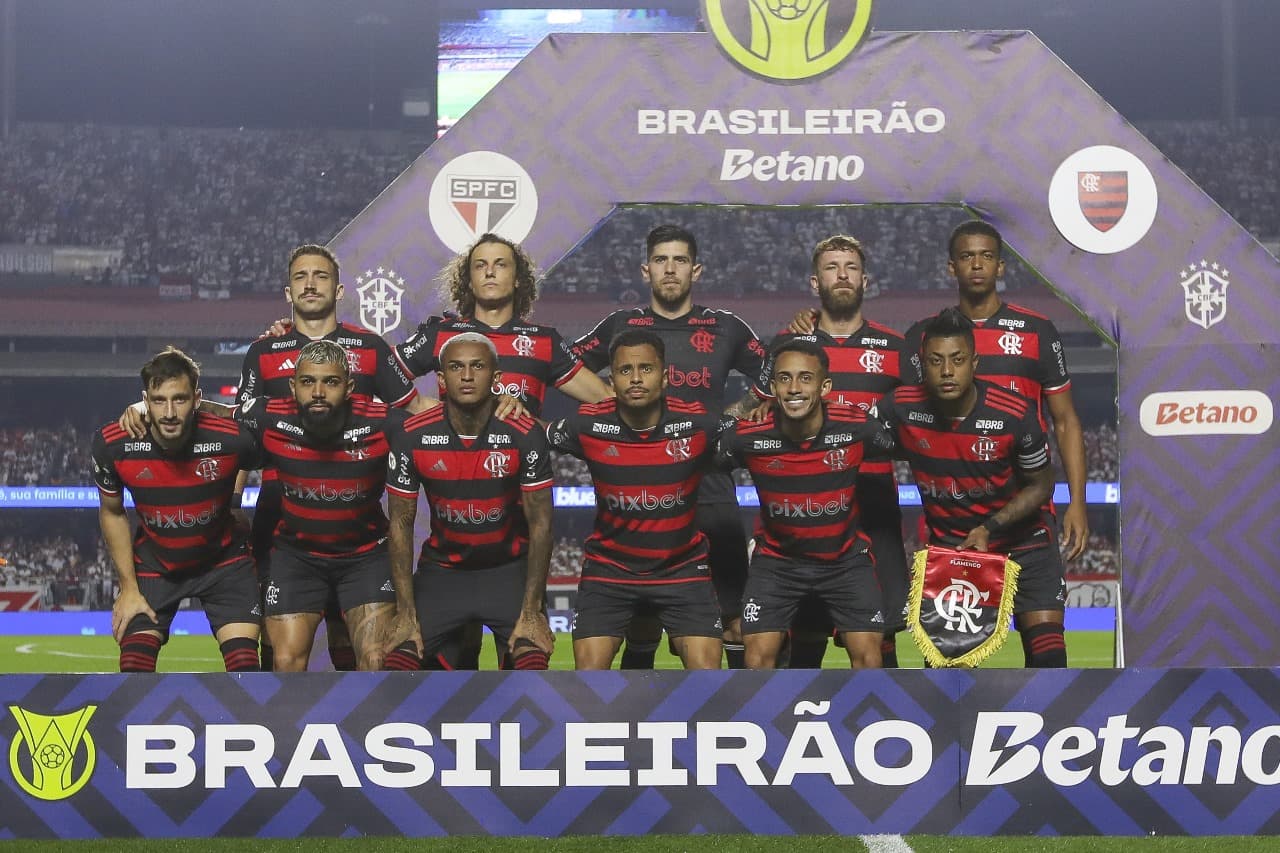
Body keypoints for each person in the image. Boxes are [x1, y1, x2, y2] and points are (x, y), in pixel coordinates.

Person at [394, 232, 611, 668]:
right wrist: (420, 405)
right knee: (454, 665)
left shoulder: (542, 342)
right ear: (467, 280)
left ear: (518, 279)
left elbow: (605, 402)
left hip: (518, 534)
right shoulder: (442, 334)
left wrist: (543, 429)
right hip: (454, 523)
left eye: (500, 264)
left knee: (518, 667)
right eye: (480, 265)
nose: (490, 271)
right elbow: (377, 370)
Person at [572, 224, 765, 669]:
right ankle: (635, 710)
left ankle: (729, 707)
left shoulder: (725, 326)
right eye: (661, 260)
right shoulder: (622, 325)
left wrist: (735, 413)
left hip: (711, 489)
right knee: (641, 624)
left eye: (680, 260)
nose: (670, 269)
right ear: (646, 270)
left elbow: (777, 370)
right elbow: (564, 364)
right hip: (641, 489)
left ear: (696, 270)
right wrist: (608, 402)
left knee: (734, 621)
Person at [870, 308, 1066, 667]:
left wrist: (989, 527)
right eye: (936, 361)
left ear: (974, 362)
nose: (947, 371)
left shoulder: (1015, 413)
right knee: (945, 669)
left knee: (1049, 658)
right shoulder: (900, 408)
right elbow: (852, 434)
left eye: (957, 360)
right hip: (954, 548)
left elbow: (1041, 485)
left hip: (1024, 542)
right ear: (923, 365)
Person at [755, 235, 909, 668]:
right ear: (814, 281)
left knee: (881, 638)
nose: (842, 276)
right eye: (831, 267)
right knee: (806, 636)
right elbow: (755, 413)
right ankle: (798, 713)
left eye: (851, 267)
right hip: (804, 509)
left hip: (874, 505)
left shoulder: (897, 349)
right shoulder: (788, 346)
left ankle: (885, 713)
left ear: (865, 280)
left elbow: (918, 421)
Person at [904, 220, 1088, 563]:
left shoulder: (1037, 331)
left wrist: (1078, 501)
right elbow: (909, 417)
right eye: (967, 257)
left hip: (1028, 510)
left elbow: (1065, 421)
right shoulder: (923, 336)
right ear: (951, 267)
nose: (977, 265)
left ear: (1000, 266)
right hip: (954, 520)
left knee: (1041, 601)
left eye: (986, 256)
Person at [547, 329, 726, 670]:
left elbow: (755, 441)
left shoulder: (699, 422)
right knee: (588, 679)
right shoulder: (587, 423)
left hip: (682, 569)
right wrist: (506, 410)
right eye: (625, 370)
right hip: (609, 571)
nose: (636, 378)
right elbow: (532, 434)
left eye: (646, 368)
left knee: (708, 679)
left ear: (665, 377)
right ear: (612, 381)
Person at [382, 332, 555, 671]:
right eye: (456, 367)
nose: (466, 375)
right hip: (443, 573)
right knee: (398, 662)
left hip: (509, 572)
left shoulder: (524, 433)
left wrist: (532, 610)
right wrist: (405, 612)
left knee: (532, 663)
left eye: (477, 366)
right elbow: (400, 525)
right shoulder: (412, 435)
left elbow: (542, 525)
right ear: (441, 378)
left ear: (496, 377)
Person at [233, 340, 408, 671]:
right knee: (285, 661)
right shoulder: (267, 415)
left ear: (350, 387)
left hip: (365, 557)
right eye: (307, 381)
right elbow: (210, 416)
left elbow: (441, 424)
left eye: (330, 381)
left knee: (375, 661)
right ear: (292, 386)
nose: (317, 392)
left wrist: (500, 405)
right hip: (297, 557)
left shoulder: (386, 423)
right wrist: (142, 410)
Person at [92, 347, 263, 673]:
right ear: (145, 401)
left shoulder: (231, 438)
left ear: (197, 399)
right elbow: (112, 512)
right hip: (155, 566)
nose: (169, 412)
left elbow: (268, 452)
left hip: (224, 563)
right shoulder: (113, 444)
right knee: (134, 671)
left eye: (180, 399)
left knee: (245, 669)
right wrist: (128, 588)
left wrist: (235, 500)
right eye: (159, 400)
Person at [719, 338, 885, 669]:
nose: (794, 388)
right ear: (773, 387)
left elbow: (912, 445)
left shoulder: (858, 426)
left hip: (845, 561)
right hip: (777, 564)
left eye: (805, 378)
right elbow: (700, 450)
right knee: (757, 659)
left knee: (868, 659)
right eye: (785, 378)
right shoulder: (748, 434)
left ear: (825, 387)